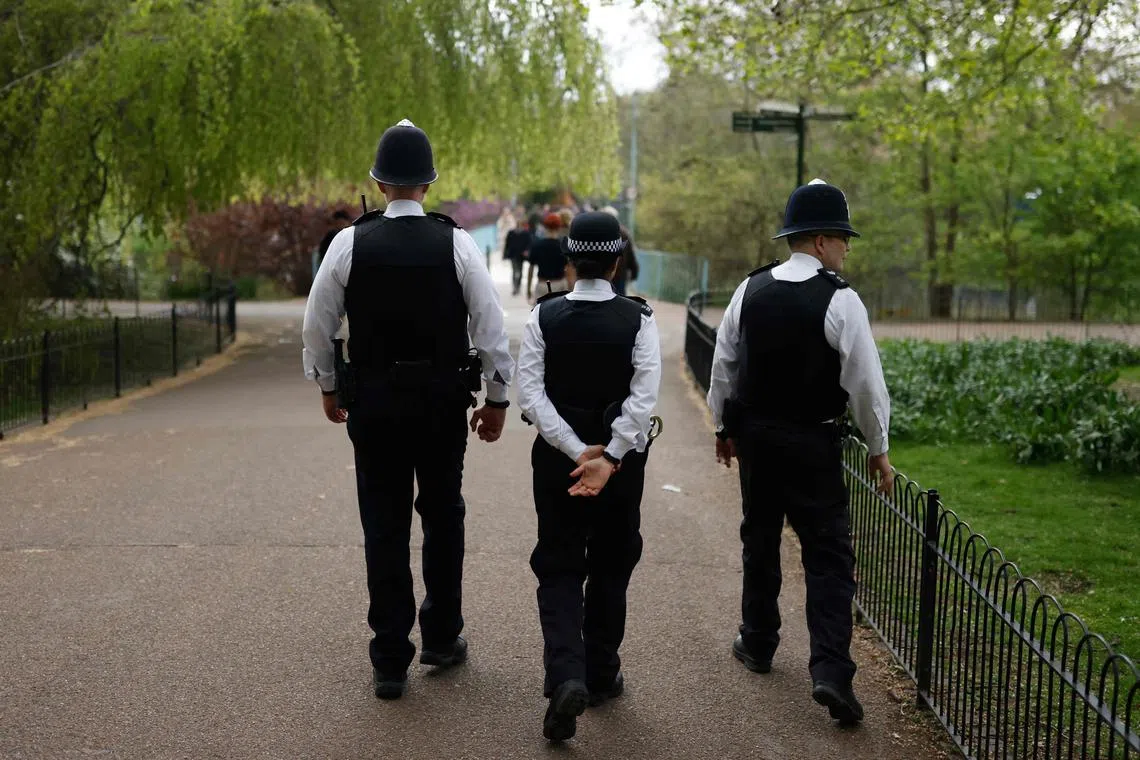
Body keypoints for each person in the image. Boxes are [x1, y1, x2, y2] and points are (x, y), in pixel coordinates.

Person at [301, 119, 515, 701]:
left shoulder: (350, 242)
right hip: (443, 404)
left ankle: (390, 657)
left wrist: (325, 384)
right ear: (429, 183)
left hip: (373, 404)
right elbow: (491, 329)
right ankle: (443, 637)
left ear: (378, 179)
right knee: (444, 516)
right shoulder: (457, 242)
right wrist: (497, 399)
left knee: (384, 523)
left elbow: (317, 324)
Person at [705, 179, 892, 726]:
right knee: (828, 556)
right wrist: (878, 448)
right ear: (817, 240)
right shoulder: (841, 299)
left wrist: (723, 425)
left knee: (759, 538)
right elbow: (865, 385)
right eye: (841, 237)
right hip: (813, 439)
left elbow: (725, 364)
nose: (847, 248)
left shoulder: (751, 289)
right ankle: (831, 670)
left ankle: (758, 642)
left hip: (758, 438)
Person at [517, 211, 662, 743]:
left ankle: (565, 675)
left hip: (558, 461)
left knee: (557, 563)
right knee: (612, 559)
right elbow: (643, 398)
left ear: (569, 259)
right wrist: (611, 456)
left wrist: (577, 451)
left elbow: (531, 395)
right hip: (621, 467)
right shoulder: (639, 319)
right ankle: (601, 672)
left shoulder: (544, 317)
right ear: (619, 260)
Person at [526, 212, 568, 304]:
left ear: (545, 227)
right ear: (559, 227)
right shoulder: (563, 246)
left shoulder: (537, 245)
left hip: (542, 285)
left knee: (540, 316)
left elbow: (531, 268)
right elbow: (568, 268)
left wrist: (528, 289)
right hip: (560, 284)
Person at [600, 206, 639, 296]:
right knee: (620, 301)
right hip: (619, 274)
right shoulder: (623, 233)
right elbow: (630, 255)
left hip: (602, 274)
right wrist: (634, 271)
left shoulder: (598, 232)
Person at [503, 218, 533, 297]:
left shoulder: (526, 233)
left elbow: (529, 243)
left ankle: (518, 286)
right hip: (513, 255)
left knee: (519, 271)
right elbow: (507, 244)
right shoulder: (511, 233)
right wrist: (505, 254)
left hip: (521, 256)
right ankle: (515, 287)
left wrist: (527, 251)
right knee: (515, 271)